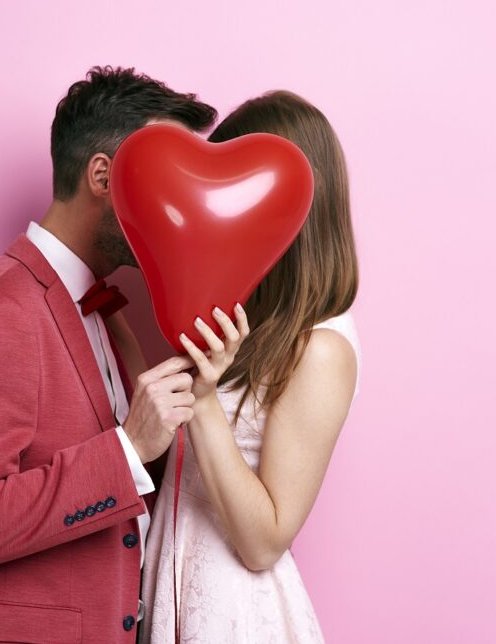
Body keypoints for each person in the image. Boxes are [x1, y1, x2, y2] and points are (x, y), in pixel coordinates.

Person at [0, 66, 217, 644]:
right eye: (168, 180)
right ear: (103, 176)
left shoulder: (105, 313)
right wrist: (127, 448)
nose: (182, 207)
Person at [140, 90, 363, 643]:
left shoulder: (322, 349)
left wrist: (207, 395)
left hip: (233, 617)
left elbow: (264, 543)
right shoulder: (243, 320)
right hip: (164, 588)